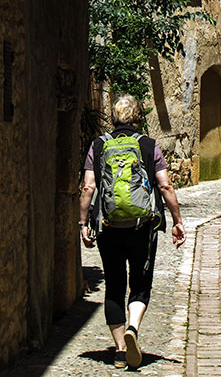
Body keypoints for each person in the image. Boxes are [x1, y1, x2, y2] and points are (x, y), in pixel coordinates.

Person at [79, 94, 186, 370]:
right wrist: (176, 220)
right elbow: (165, 186)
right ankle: (133, 329)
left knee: (114, 285)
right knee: (139, 284)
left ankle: (119, 350)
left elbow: (89, 188)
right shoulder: (149, 146)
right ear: (138, 117)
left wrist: (82, 223)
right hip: (142, 228)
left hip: (108, 227)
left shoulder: (98, 146)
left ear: (113, 118)